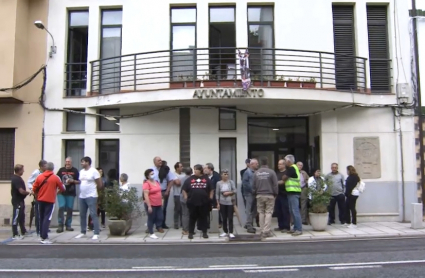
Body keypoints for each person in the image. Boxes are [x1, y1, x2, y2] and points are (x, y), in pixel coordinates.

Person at [33, 162, 65, 244]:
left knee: (41, 217)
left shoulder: (39, 177)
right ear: (53, 169)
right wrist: (56, 192)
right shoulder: (55, 178)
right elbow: (62, 188)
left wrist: (37, 195)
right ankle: (44, 237)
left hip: (40, 200)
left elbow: (34, 188)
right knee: (47, 218)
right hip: (50, 201)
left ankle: (41, 235)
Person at [182, 164, 213, 239]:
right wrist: (186, 197)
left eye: (196, 169)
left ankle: (204, 232)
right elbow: (184, 189)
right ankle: (191, 232)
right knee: (192, 218)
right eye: (194, 169)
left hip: (204, 202)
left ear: (200, 170)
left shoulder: (206, 179)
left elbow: (211, 189)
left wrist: (210, 198)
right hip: (192, 202)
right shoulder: (190, 179)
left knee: (204, 218)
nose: (195, 171)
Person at [75, 157, 102, 240]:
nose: (81, 164)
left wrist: (95, 192)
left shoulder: (94, 171)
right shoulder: (81, 172)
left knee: (93, 214)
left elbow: (99, 184)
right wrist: (72, 181)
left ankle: (96, 232)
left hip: (91, 196)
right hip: (82, 196)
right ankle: (82, 232)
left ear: (87, 162)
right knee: (82, 214)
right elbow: (81, 181)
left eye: (83, 162)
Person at [253, 157, 278, 238]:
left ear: (260, 163)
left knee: (261, 212)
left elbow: (253, 185)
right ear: (267, 163)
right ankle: (266, 231)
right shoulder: (271, 172)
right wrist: (275, 193)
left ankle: (261, 229)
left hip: (259, 195)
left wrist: (255, 193)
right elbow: (275, 184)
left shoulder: (256, 173)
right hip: (269, 195)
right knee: (268, 212)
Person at [151, 157, 176, 229]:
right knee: (153, 209)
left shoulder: (165, 169)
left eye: (161, 160)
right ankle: (152, 225)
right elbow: (146, 180)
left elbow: (171, 180)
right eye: (158, 160)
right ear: (154, 162)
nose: (160, 161)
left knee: (163, 208)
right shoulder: (151, 170)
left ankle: (162, 224)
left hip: (163, 192)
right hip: (153, 192)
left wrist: (168, 190)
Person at [56, 157, 80, 233]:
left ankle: (68, 224)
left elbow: (79, 181)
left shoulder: (75, 170)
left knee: (69, 209)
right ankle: (60, 224)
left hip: (71, 192)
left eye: (69, 162)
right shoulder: (61, 170)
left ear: (71, 162)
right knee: (61, 207)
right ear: (65, 162)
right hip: (61, 192)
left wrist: (73, 181)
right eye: (66, 161)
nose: (68, 163)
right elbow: (56, 179)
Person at [282, 154, 303, 236]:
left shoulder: (292, 168)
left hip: (294, 193)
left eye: (285, 161)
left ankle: (299, 229)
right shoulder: (293, 168)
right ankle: (295, 228)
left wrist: (284, 176)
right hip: (292, 192)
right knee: (292, 211)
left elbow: (284, 178)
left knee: (295, 211)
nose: (285, 163)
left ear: (288, 161)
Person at [27, 160, 47, 238]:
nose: (46, 167)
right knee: (38, 212)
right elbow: (29, 181)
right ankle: (38, 229)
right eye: (45, 166)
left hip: (45, 194)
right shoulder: (36, 173)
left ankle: (43, 228)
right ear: (41, 166)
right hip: (38, 194)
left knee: (45, 212)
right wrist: (33, 189)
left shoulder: (46, 173)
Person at [143, 169, 163, 239]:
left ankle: (150, 226)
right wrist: (149, 206)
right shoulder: (146, 184)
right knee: (151, 218)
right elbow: (146, 195)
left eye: (153, 173)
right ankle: (151, 232)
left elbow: (159, 192)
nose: (153, 175)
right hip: (151, 204)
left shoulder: (156, 182)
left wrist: (161, 200)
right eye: (151, 174)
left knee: (160, 217)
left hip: (158, 204)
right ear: (147, 176)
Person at [216, 169, 236, 238]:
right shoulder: (219, 183)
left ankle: (231, 231)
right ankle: (225, 231)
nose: (226, 176)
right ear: (221, 175)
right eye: (225, 174)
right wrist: (218, 203)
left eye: (227, 174)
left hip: (229, 202)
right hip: (222, 202)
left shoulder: (231, 182)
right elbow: (217, 193)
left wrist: (229, 193)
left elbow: (235, 190)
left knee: (230, 217)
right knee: (224, 217)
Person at [11, 164, 29, 240]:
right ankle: (15, 234)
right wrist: (28, 192)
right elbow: (21, 191)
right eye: (22, 170)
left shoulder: (18, 178)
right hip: (17, 201)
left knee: (21, 217)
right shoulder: (16, 179)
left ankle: (23, 231)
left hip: (20, 200)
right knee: (16, 217)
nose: (23, 171)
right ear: (19, 170)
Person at [242, 159, 259, 233]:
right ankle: (249, 226)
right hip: (249, 194)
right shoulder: (247, 172)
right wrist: (252, 190)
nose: (257, 165)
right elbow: (245, 183)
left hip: (255, 193)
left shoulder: (256, 172)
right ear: (252, 164)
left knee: (254, 210)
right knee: (249, 210)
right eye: (256, 164)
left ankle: (248, 223)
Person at [274, 159, 290, 232]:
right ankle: (280, 226)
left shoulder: (286, 173)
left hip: (285, 194)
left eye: (280, 164)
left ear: (284, 165)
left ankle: (286, 227)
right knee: (278, 211)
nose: (279, 165)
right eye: (278, 164)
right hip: (278, 194)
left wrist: (275, 183)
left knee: (285, 211)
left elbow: (284, 181)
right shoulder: (277, 173)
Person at [180, 167, 192, 235]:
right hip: (187, 198)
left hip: (182, 198)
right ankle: (186, 229)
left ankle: (185, 229)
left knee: (184, 214)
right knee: (187, 215)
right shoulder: (190, 179)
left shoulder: (182, 179)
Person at [173, 162, 185, 229]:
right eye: (181, 166)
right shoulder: (173, 174)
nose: (182, 168)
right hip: (177, 194)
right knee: (177, 209)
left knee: (183, 209)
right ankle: (176, 224)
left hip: (183, 194)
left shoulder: (184, 174)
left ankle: (182, 223)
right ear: (177, 168)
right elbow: (178, 183)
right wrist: (182, 181)